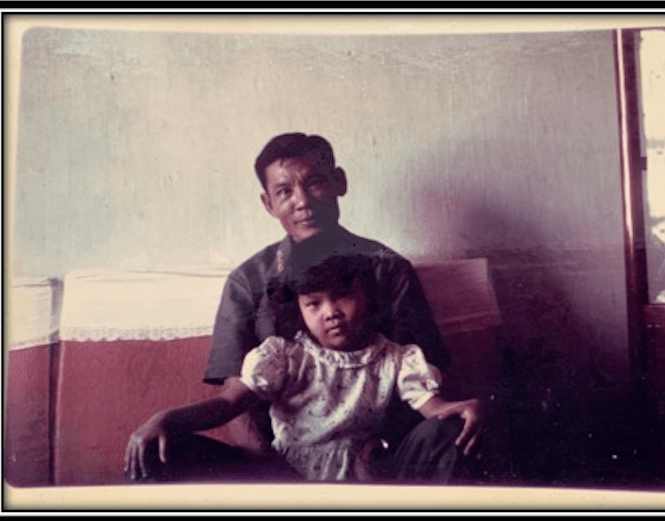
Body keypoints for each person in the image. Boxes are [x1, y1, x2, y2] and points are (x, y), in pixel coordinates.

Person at [125, 254, 481, 483]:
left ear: (367, 298)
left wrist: (456, 409)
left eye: (342, 296)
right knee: (163, 448)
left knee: (446, 432)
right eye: (314, 304)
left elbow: (431, 408)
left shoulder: (397, 358)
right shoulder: (286, 357)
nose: (331, 312)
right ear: (301, 312)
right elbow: (227, 404)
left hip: (368, 479)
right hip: (284, 480)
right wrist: (165, 418)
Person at [203, 132, 457, 450]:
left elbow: (420, 378)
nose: (303, 202)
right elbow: (236, 397)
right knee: (163, 450)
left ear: (340, 182)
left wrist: (374, 457)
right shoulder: (248, 281)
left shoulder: (387, 268)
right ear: (268, 203)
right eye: (284, 191)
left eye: (314, 182)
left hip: (379, 452)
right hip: (283, 457)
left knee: (449, 431)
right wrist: (271, 474)